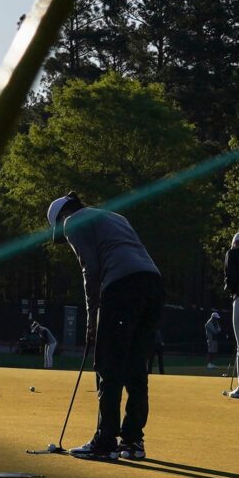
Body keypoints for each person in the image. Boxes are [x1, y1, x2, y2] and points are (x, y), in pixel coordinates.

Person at [47, 192, 163, 461]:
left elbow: (91, 269)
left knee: (108, 366)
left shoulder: (72, 221)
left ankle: (105, 441)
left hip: (122, 287)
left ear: (61, 217)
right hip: (153, 286)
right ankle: (133, 442)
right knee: (135, 366)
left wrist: (91, 321)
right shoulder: (114, 216)